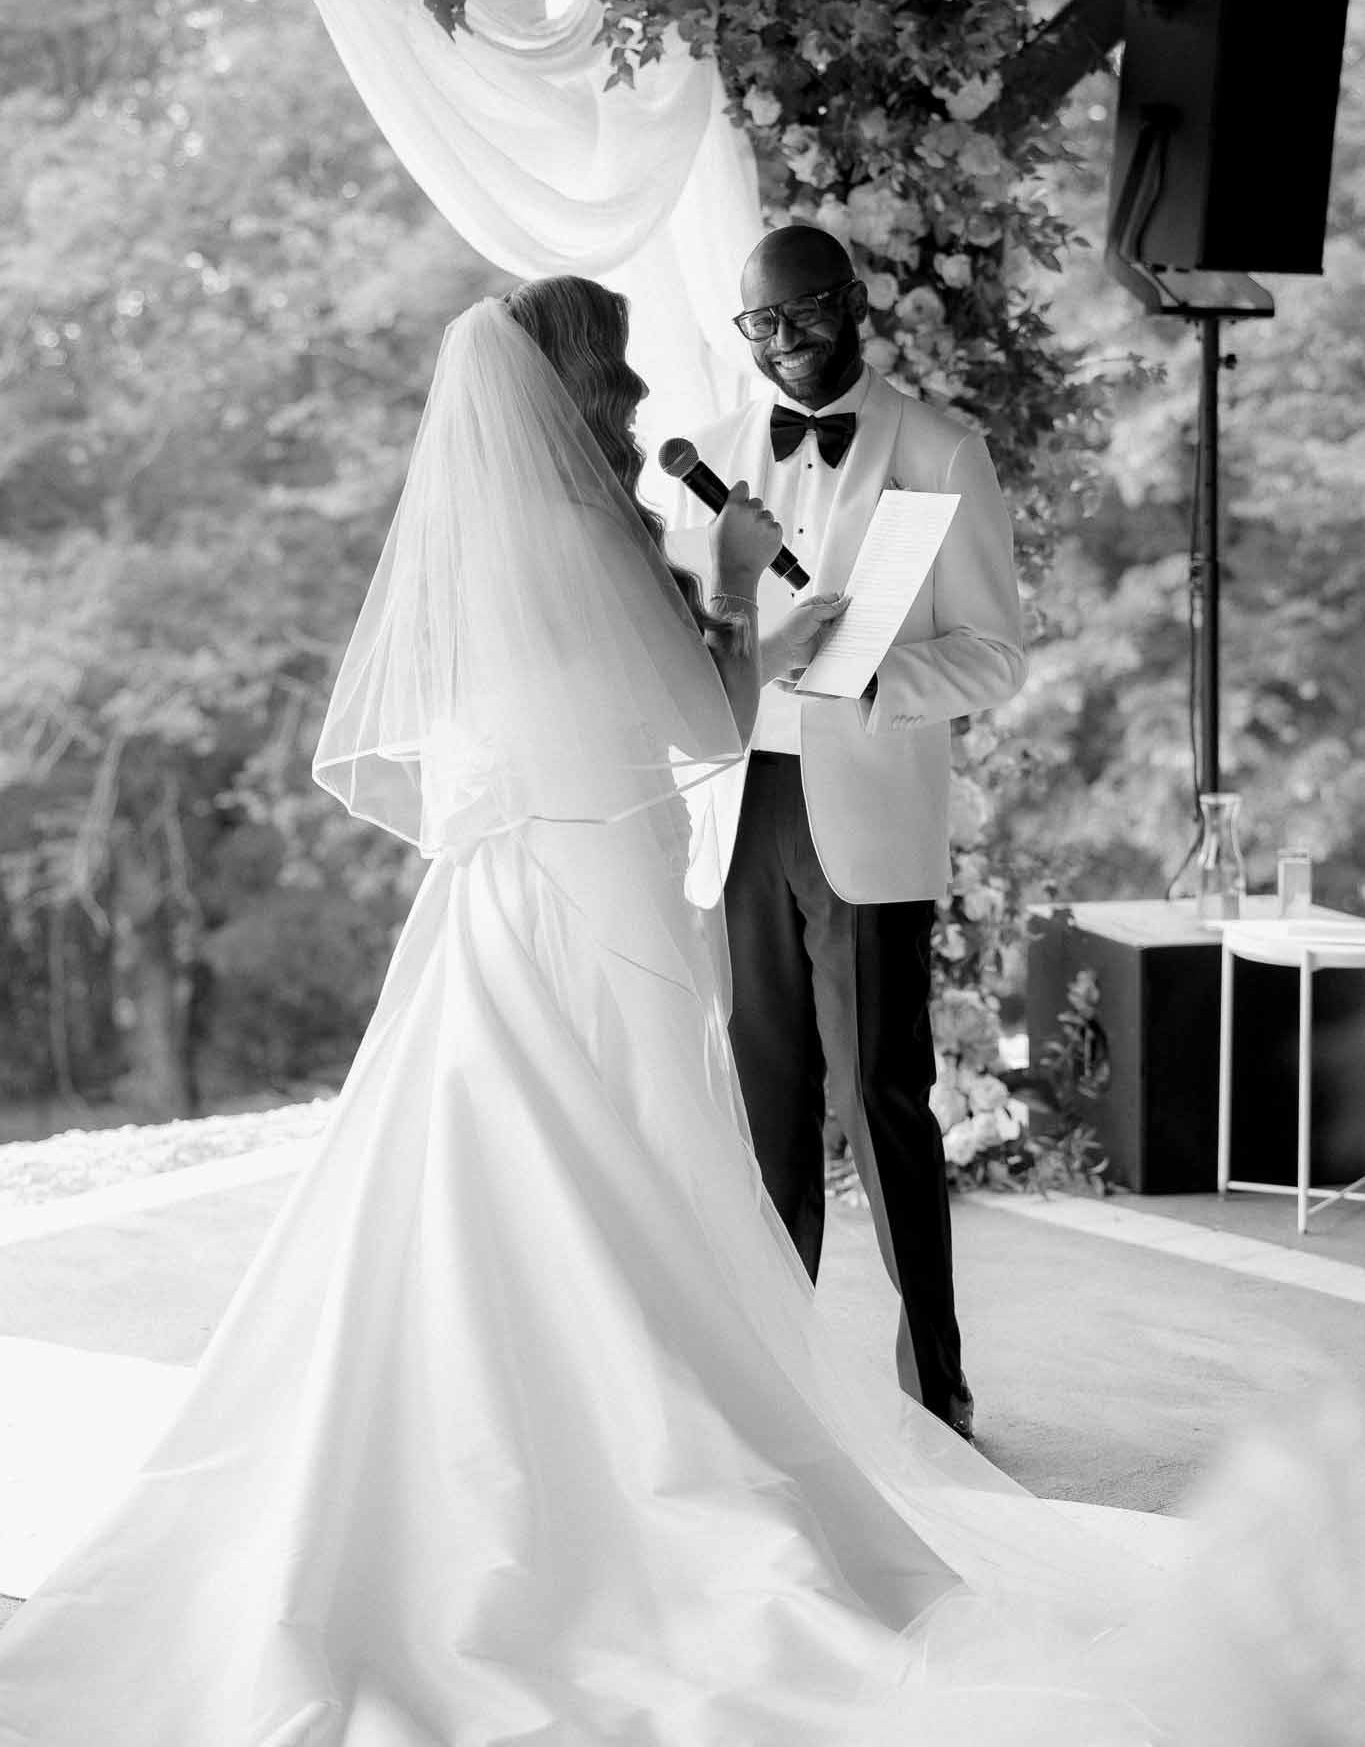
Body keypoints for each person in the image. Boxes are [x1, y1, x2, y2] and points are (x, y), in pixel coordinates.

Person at [0, 278, 1351, 1747]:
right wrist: (730, 589)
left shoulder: (488, 538)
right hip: (588, 908)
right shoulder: (589, 534)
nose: (642, 408)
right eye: (621, 383)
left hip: (500, 909)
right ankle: (608, 1471)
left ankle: (467, 1464)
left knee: (473, 1183)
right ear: (568, 394)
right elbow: (702, 729)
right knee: (607, 1175)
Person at [667, 224, 1025, 1440]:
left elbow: (994, 652)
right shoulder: (711, 454)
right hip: (742, 809)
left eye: (801, 315)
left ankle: (938, 1382)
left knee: (884, 1102)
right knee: (768, 1106)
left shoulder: (939, 449)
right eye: (758, 325)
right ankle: (778, 1389)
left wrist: (878, 677)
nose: (782, 343)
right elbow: (686, 640)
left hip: (864, 813)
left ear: (852, 300)